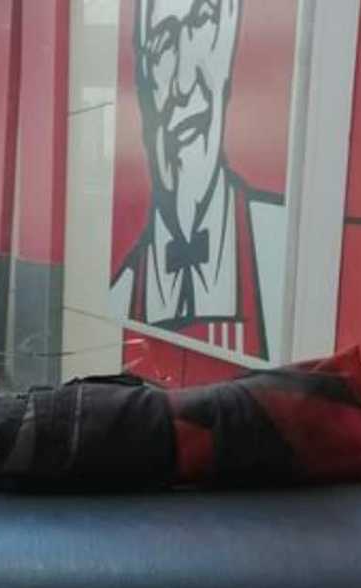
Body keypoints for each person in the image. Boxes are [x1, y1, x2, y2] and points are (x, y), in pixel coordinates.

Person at [109, 0, 285, 361]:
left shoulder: (278, 251)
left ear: (230, 37)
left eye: (202, 21)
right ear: (143, 80)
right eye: (163, 42)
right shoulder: (122, 292)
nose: (185, 83)